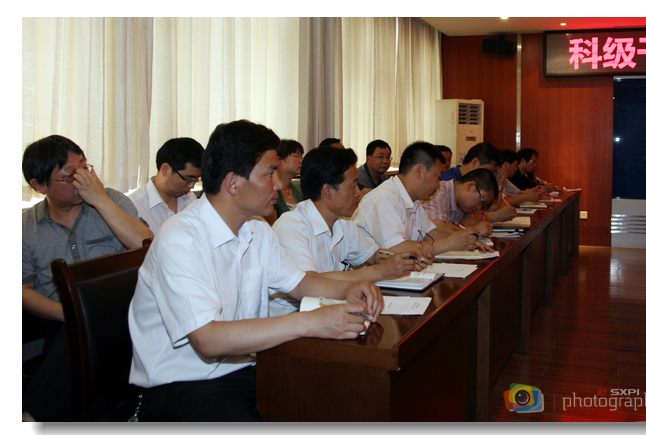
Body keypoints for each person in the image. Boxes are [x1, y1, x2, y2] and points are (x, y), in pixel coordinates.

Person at [128, 119, 383, 422]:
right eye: (269, 173)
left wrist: (348, 288)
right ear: (233, 183)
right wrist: (309, 322)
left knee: (343, 398)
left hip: (246, 369)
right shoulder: (181, 238)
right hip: (181, 385)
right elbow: (208, 340)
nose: (279, 185)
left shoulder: (256, 230)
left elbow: (300, 284)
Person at [22, 135, 153, 422]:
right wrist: (69, 313)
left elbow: (147, 248)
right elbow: (22, 289)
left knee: (83, 342)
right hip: (61, 322)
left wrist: (100, 200)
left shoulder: (112, 200)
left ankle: (30, 418)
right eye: (70, 176)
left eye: (85, 168)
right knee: (75, 341)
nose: (83, 180)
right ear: (39, 185)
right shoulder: (25, 227)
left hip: (123, 317)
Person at [270, 146, 431, 314]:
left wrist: (403, 258)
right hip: (295, 317)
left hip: (331, 310)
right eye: (353, 185)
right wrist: (380, 271)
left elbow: (374, 255)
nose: (358, 193)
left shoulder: (343, 224)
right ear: (327, 191)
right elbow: (308, 282)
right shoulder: (291, 227)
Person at [352, 141, 493, 256]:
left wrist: (466, 240)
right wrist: (449, 243)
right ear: (419, 170)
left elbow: (429, 232)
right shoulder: (385, 198)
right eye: (437, 176)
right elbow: (395, 248)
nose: (438, 184)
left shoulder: (413, 200)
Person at [129, 137, 204, 234]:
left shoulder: (190, 198)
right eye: (188, 179)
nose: (191, 186)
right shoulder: (135, 207)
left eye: (196, 180)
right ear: (165, 169)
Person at [422, 168, 498, 235]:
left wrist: (470, 216)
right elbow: (434, 230)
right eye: (481, 201)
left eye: (483, 206)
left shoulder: (462, 202)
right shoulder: (438, 194)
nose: (479, 207)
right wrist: (474, 231)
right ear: (470, 186)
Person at [264, 139, 305, 226]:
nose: (300, 161)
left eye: (301, 157)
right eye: (296, 156)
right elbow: (274, 226)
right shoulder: (270, 191)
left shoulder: (300, 189)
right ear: (279, 161)